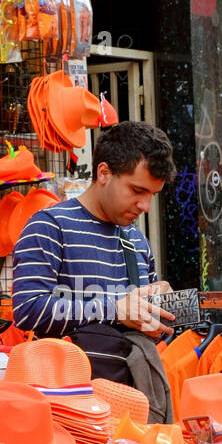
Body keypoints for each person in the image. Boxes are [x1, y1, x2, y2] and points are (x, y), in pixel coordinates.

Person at [12, 121, 177, 420]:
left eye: (153, 194)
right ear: (103, 173)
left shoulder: (137, 242)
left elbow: (147, 336)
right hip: (64, 413)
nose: (145, 205)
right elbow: (27, 309)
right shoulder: (50, 226)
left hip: (129, 414)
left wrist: (160, 309)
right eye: (137, 190)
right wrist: (114, 309)